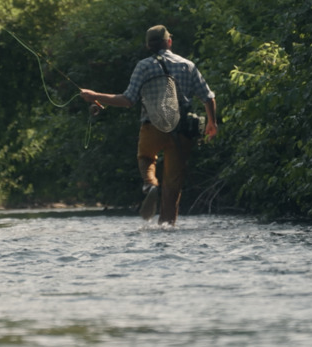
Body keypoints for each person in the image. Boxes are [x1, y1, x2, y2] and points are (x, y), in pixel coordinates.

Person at [80, 25, 218, 225]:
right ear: (169, 42)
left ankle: (150, 183)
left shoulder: (143, 66)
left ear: (148, 46)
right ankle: (167, 225)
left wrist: (94, 96)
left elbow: (127, 100)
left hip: (152, 126)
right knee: (173, 185)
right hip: (182, 131)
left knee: (146, 158)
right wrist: (211, 122)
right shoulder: (187, 65)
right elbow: (208, 97)